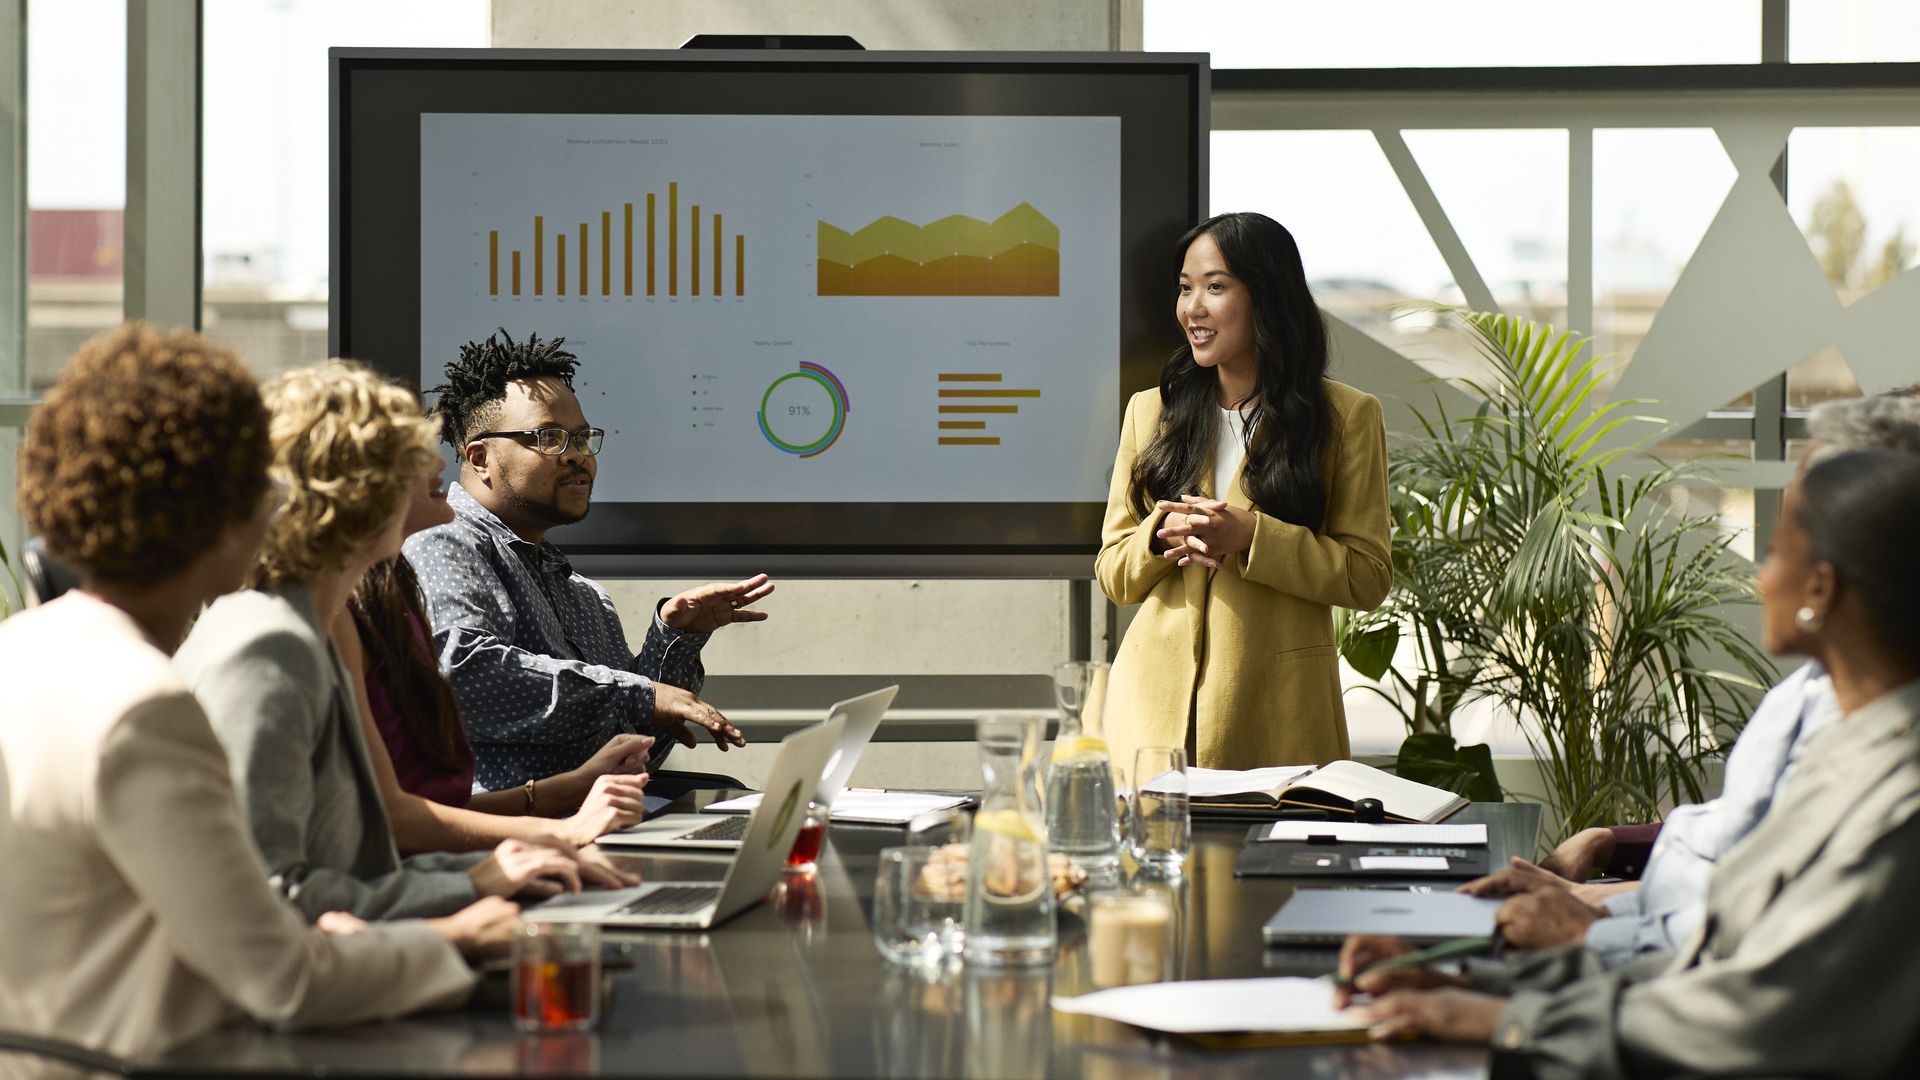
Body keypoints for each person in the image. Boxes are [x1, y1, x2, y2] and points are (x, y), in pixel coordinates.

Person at [0, 325, 514, 1061]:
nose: (277, 507)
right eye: (260, 488)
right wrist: (454, 941)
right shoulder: (145, 708)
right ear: (215, 517)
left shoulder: (20, 650)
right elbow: (282, 981)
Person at [1337, 448, 1920, 1078]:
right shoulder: (1845, 751)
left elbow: (1760, 1019)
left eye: (1776, 552)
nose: (1760, 578)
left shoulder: (1897, 801)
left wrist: (1504, 1018)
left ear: (1820, 589)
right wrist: (1478, 981)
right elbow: (1704, 964)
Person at [1460, 390, 1920, 965]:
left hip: (1666, 964)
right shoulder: (1817, 692)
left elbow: (1756, 935)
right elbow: (1742, 845)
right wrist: (1608, 853)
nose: (1760, 578)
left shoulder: (1874, 747)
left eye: (1785, 543)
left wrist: (1590, 925)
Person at [176, 359, 621, 922]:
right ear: (352, 482)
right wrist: (480, 887)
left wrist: (524, 856)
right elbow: (268, 901)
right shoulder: (269, 647)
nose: (440, 462)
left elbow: (374, 851)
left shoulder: (318, 621)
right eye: (411, 452)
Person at [404, 330, 772, 791]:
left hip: (599, 820)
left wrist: (677, 638)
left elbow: (634, 754)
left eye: (582, 438)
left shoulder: (584, 596)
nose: (578, 456)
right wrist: (640, 696)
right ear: (480, 458)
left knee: (737, 800)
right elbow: (463, 676)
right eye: (551, 437)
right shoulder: (444, 538)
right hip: (512, 839)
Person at [1094, 212, 1392, 773]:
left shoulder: (1346, 417)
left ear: (1267, 297)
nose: (1193, 308)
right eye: (1185, 289)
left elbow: (1367, 575)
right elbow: (1113, 573)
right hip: (1150, 725)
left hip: (1278, 718)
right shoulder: (1149, 411)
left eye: (1215, 287)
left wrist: (1252, 536)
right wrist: (1157, 536)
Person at [332, 467, 655, 852]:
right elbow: (390, 823)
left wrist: (574, 785)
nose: (436, 462)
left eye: (583, 438)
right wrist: (561, 833)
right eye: (408, 448)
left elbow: (419, 810)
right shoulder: (339, 610)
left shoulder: (383, 591)